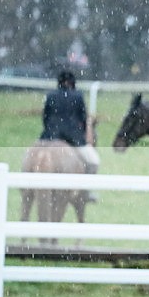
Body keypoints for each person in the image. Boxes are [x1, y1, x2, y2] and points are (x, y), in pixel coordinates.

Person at [40, 70, 99, 200]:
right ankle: (86, 192)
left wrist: (51, 131)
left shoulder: (50, 96)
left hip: (49, 137)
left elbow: (45, 118)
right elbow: (83, 120)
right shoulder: (78, 96)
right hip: (72, 138)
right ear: (72, 83)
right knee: (94, 161)